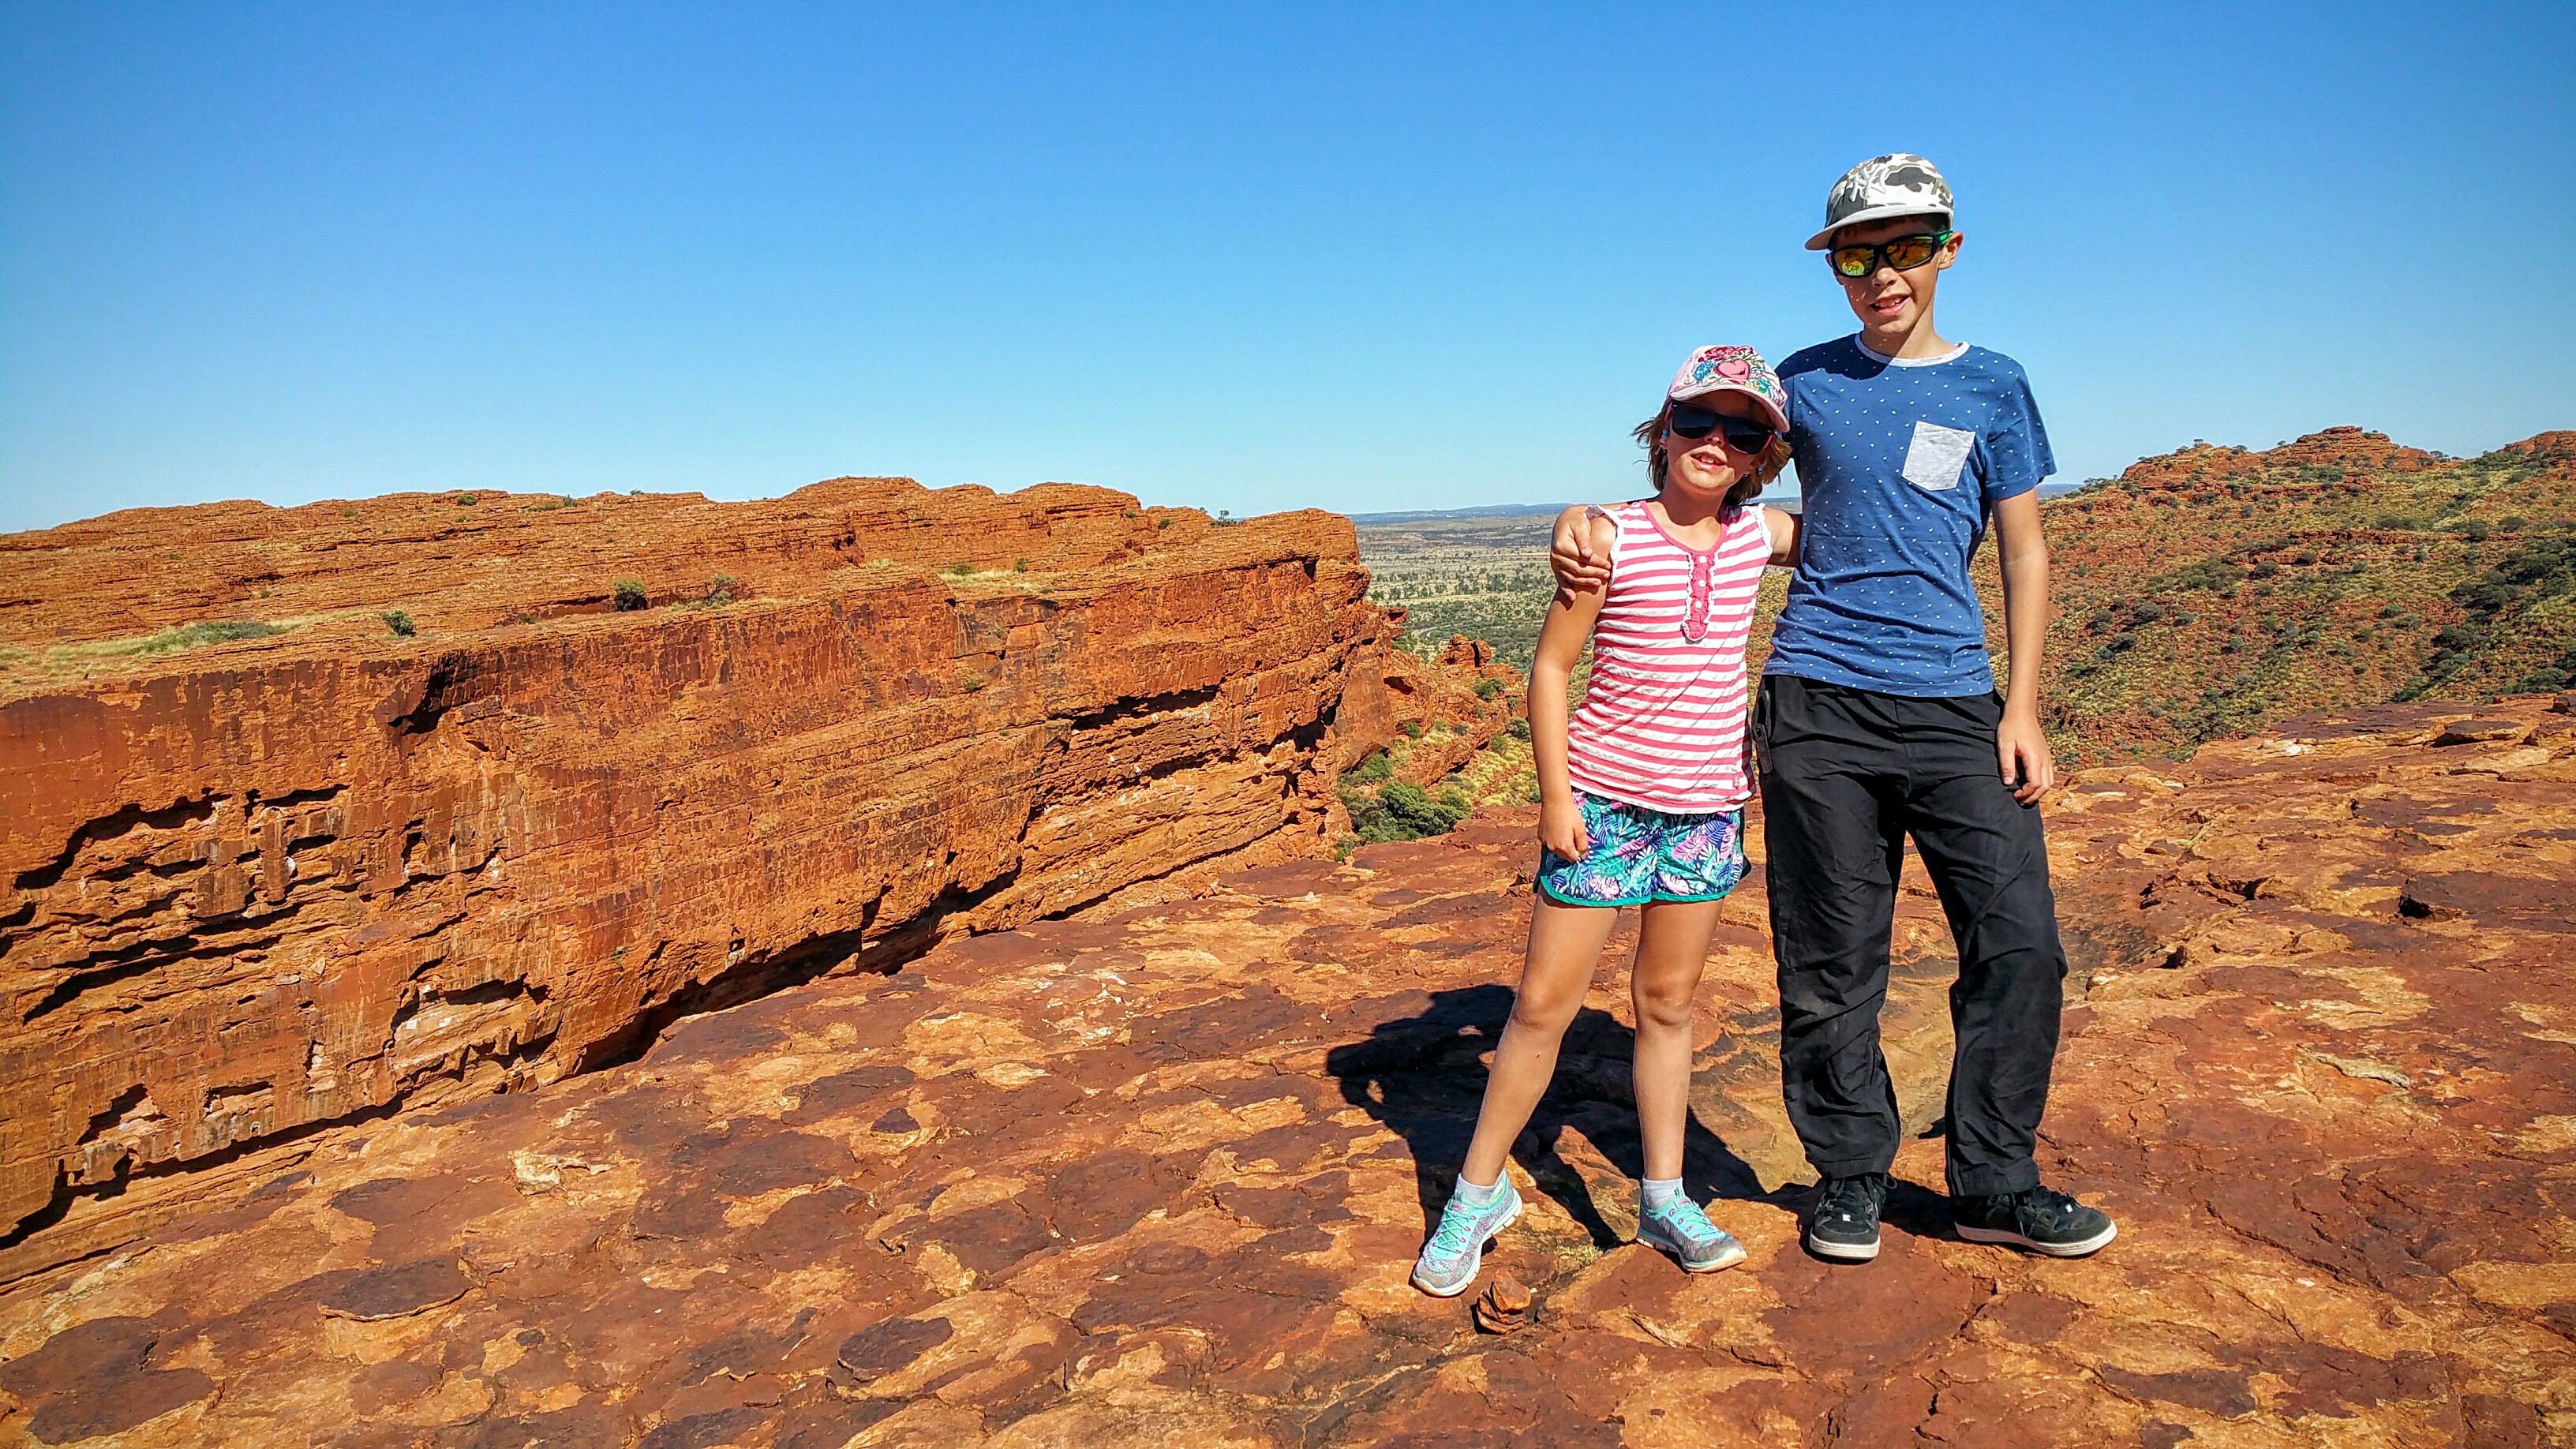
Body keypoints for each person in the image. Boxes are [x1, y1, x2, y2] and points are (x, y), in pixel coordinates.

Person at [1547, 154, 2116, 1264]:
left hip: (1956, 701)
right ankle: (1849, 1174)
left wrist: (2023, 707)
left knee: (2021, 945)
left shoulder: (1995, 386)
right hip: (1818, 703)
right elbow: (1703, 472)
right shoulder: (1804, 383)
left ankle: (1996, 1183)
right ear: (1836, 268)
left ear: (1948, 250)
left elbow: (2026, 550)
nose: (1883, 273)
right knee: (1831, 956)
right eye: (1859, 255)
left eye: (1907, 248)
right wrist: (1587, 512)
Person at [1411, 344, 1799, 1297]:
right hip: (1604, 807)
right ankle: (1477, 1194)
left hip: (1706, 810)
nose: (1715, 442)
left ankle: (1663, 1198)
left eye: (1742, 433)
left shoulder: (1761, 537)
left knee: (1666, 1006)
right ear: (1662, 430)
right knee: (1543, 1006)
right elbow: (1550, 668)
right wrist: (1555, 796)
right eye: (1697, 421)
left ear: (1763, 455)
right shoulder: (1608, 540)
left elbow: (1869, 512)